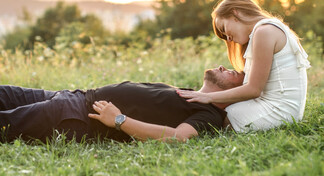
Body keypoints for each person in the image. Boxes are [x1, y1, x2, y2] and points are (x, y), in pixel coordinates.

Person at [0, 66, 244, 143]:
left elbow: (178, 137)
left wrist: (119, 120)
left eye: (234, 73)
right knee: (4, 92)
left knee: (5, 124)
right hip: (73, 96)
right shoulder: (191, 94)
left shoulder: (208, 113)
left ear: (237, 92)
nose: (225, 67)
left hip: (77, 116)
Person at [177, 0, 310, 133]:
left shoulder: (264, 32)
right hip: (283, 108)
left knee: (218, 116)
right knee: (216, 112)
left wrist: (208, 97)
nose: (228, 38)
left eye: (223, 28)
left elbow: (253, 90)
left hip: (280, 111)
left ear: (235, 13)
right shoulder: (267, 29)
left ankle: (172, 128)